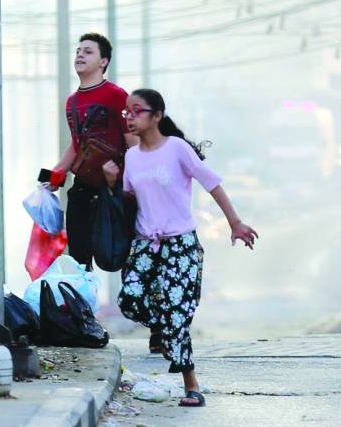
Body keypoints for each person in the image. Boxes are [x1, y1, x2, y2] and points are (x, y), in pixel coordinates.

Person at [102, 88, 258, 408]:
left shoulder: (176, 149)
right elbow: (129, 201)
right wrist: (110, 183)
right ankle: (162, 324)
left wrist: (235, 223)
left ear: (156, 116)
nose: (129, 117)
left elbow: (211, 183)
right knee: (130, 300)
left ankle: (192, 386)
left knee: (177, 317)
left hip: (180, 244)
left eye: (137, 111)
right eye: (126, 112)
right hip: (145, 245)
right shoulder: (131, 157)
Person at [47, 33, 131, 269]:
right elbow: (77, 145)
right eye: (78, 51)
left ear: (103, 62)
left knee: (123, 255)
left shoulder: (116, 95)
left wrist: (132, 184)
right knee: (78, 263)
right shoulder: (72, 102)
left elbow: (133, 143)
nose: (80, 55)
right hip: (82, 189)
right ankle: (82, 305)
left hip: (114, 189)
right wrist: (53, 175)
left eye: (88, 51)